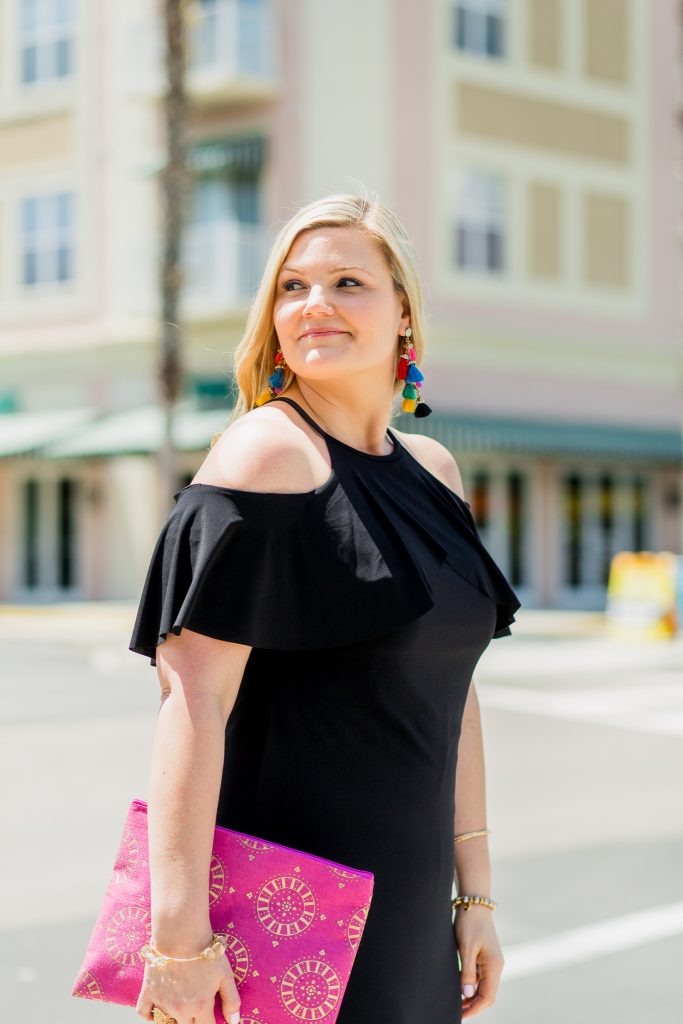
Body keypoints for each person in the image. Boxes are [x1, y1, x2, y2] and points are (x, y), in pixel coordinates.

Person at [129, 191, 522, 1024]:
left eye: (348, 282)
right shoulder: (268, 452)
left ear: (403, 310)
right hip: (292, 913)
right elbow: (191, 699)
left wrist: (474, 897)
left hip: (410, 910)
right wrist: (176, 942)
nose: (314, 305)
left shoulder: (434, 473)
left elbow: (452, 698)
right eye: (291, 286)